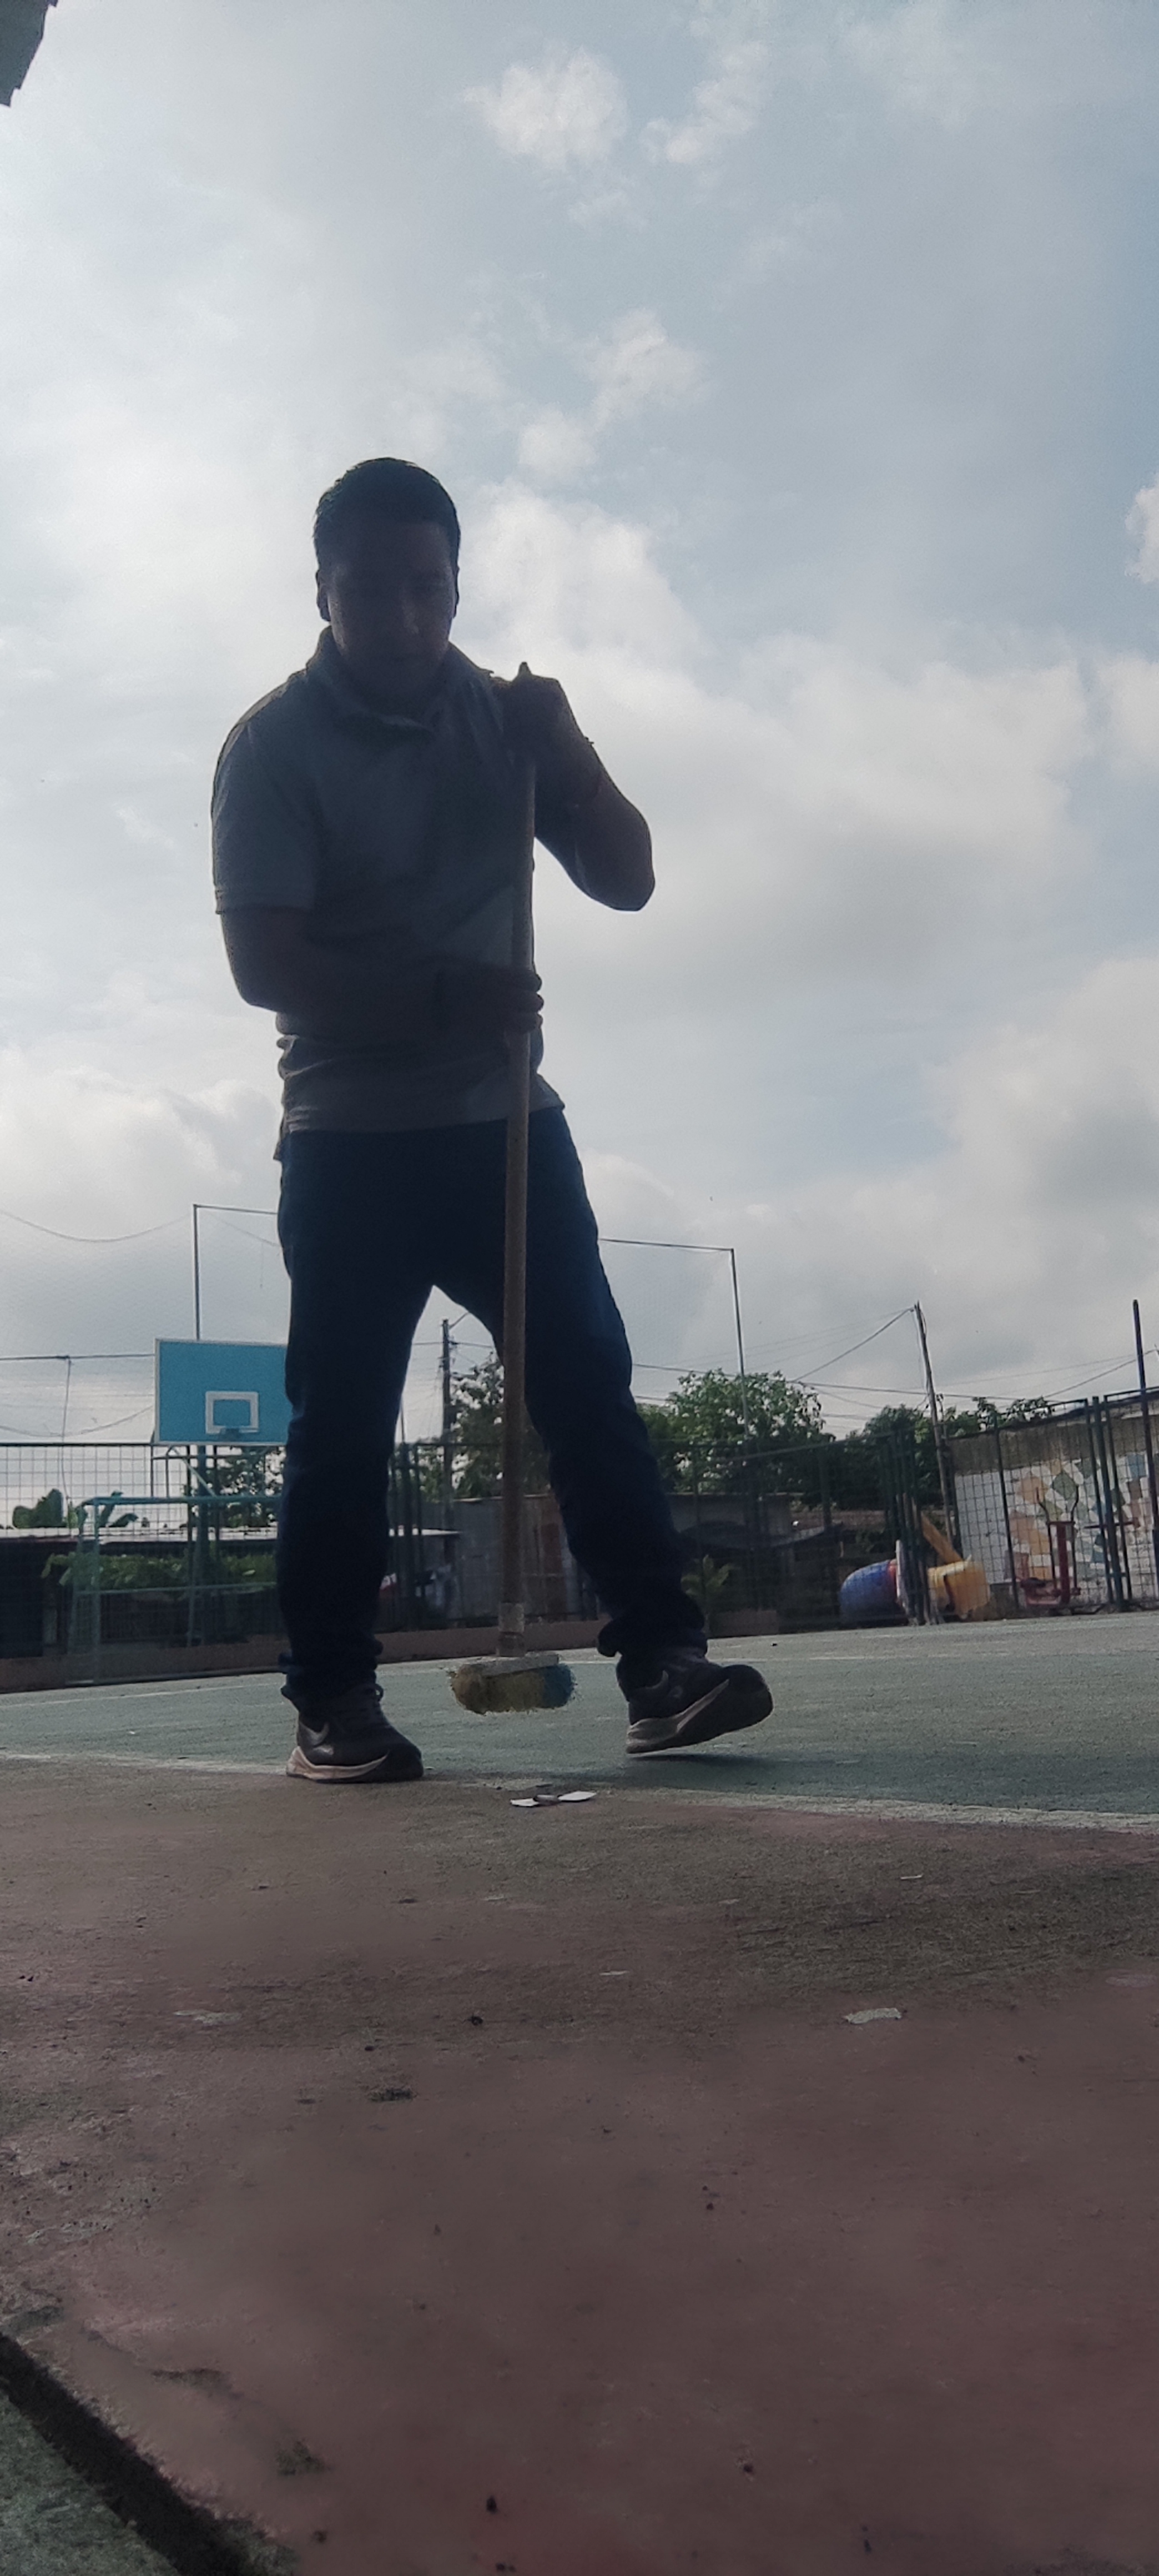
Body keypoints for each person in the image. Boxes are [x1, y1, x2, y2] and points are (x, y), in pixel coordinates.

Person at [211, 457, 772, 1783]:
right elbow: (263, 962)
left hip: (505, 1122)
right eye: (372, 590)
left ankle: (663, 1666)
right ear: (322, 590)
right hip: (348, 1134)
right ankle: (332, 1699)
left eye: (428, 587)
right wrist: (439, 1000)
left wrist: (569, 756)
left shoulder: (505, 722)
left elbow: (629, 880)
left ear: (457, 584)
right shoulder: (271, 748)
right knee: (344, 1420)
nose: (405, 618)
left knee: (586, 1382)